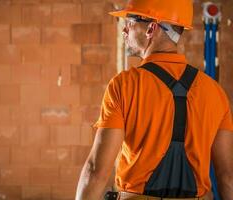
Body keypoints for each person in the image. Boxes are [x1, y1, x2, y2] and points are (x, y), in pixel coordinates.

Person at [75, 0, 233, 199]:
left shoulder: (125, 85)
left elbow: (96, 171)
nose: (124, 30)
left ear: (151, 28)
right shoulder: (215, 92)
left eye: (130, 22)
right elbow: (227, 177)